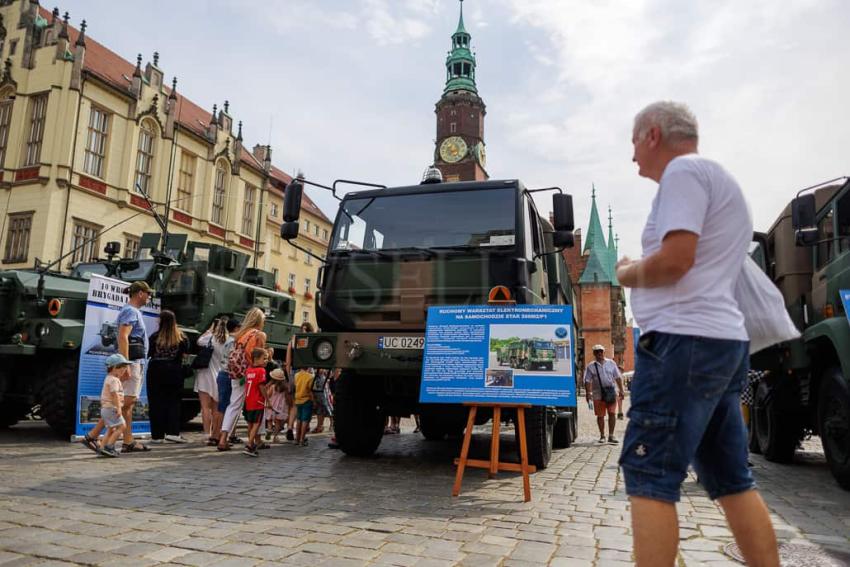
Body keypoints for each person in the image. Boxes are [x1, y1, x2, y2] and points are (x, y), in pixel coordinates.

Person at [616, 101, 779, 567]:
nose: (632, 158)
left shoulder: (683, 174)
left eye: (633, 143)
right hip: (719, 343)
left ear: (652, 134)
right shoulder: (715, 177)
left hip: (682, 344)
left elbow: (675, 260)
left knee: (649, 473)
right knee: (731, 479)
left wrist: (627, 272)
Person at [81, 281, 152, 454]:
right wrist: (125, 364)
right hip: (133, 362)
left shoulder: (132, 311)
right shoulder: (130, 311)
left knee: (127, 404)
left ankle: (128, 442)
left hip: (135, 362)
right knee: (125, 402)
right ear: (140, 293)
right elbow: (123, 336)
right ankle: (93, 435)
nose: (150, 297)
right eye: (148, 293)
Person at [217, 308, 267, 450]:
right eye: (263, 319)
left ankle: (223, 438)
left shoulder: (241, 335)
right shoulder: (259, 335)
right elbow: (259, 356)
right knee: (258, 404)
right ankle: (257, 439)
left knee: (233, 405)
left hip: (237, 373)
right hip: (253, 374)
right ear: (259, 320)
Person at [147, 310, 190, 443]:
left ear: (161, 321)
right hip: (174, 372)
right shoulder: (182, 338)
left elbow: (149, 353)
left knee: (156, 403)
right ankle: (172, 432)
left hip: (156, 372)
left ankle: (157, 435)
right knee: (174, 403)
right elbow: (185, 355)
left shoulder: (154, 337)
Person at [194, 317, 228, 444]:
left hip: (205, 375)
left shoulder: (209, 338)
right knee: (216, 408)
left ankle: (206, 433)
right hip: (219, 376)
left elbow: (199, 341)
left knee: (205, 408)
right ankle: (215, 432)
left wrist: (209, 330)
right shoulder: (227, 342)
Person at [583, 344, 625, 444]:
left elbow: (618, 377)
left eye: (601, 351)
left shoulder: (611, 363)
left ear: (604, 352)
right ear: (594, 353)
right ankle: (602, 436)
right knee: (600, 415)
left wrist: (621, 390)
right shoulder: (591, 366)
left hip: (611, 392)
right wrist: (588, 393)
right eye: (597, 352)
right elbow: (587, 380)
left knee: (612, 413)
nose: (599, 353)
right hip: (598, 394)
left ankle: (611, 435)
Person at [95, 354, 133, 458]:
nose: (124, 370)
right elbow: (115, 395)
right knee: (122, 426)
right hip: (112, 408)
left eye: (125, 367)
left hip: (106, 408)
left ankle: (102, 449)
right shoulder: (114, 380)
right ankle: (109, 447)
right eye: (122, 367)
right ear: (114, 368)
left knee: (111, 429)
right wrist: (119, 408)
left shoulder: (108, 378)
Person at [210, 318, 240, 446]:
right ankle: (219, 436)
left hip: (221, 373)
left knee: (221, 406)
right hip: (228, 375)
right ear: (237, 328)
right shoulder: (234, 341)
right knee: (226, 407)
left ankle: (215, 435)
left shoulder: (226, 340)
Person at [285, 322, 313, 440]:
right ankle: (301, 433)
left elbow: (287, 362)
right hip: (306, 373)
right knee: (305, 402)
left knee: (294, 405)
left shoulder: (292, 342)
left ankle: (290, 427)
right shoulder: (311, 342)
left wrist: (288, 377)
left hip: (293, 372)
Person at [242, 348, 271, 457]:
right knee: (256, 425)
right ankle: (249, 445)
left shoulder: (249, 370)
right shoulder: (261, 371)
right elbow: (261, 386)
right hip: (257, 401)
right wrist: (268, 400)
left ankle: (252, 443)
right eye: (264, 358)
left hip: (248, 400)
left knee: (250, 424)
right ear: (256, 359)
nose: (266, 360)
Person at [264, 369, 289, 443]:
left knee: (269, 420)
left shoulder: (272, 387)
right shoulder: (285, 387)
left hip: (271, 406)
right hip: (280, 408)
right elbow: (287, 397)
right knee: (278, 422)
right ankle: (275, 436)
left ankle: (269, 429)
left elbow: (268, 395)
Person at [293, 367, 315, 446]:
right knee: (305, 420)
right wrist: (314, 401)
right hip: (306, 400)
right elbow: (310, 390)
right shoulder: (310, 377)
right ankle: (302, 440)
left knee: (299, 419)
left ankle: (297, 439)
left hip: (298, 399)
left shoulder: (296, 375)